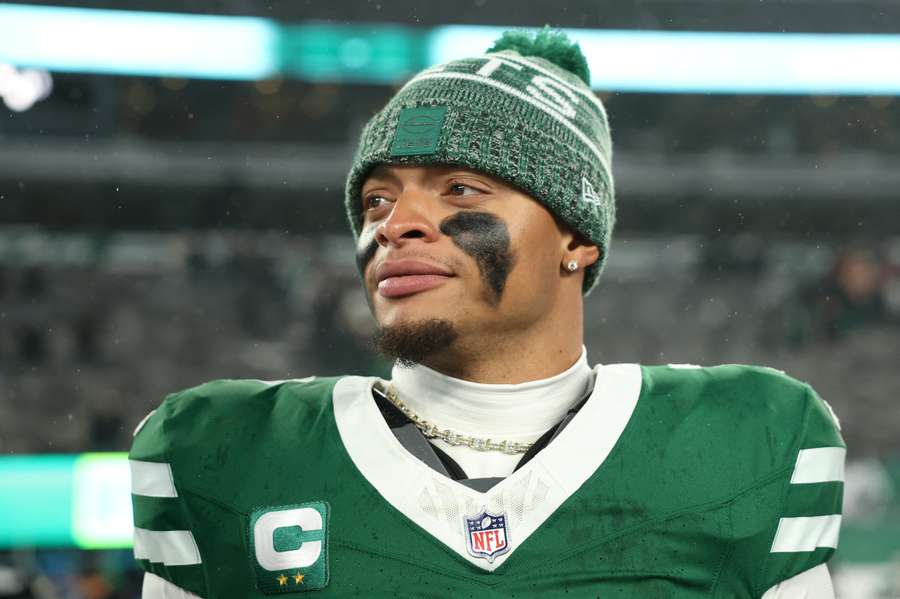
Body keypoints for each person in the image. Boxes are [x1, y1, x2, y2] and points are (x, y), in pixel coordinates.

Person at [129, 28, 845, 598]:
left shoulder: (745, 444)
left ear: (575, 237)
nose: (395, 223)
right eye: (376, 199)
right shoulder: (229, 453)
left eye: (461, 189)